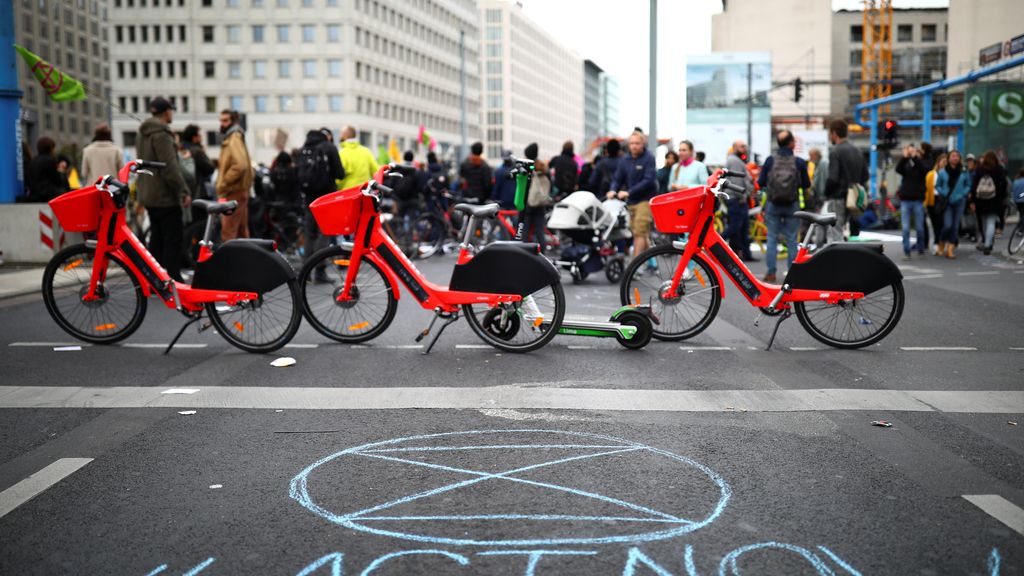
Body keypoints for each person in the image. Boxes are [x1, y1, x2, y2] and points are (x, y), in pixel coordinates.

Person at [136, 97, 191, 281]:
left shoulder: (142, 133)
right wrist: (183, 190)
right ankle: (173, 278)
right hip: (165, 195)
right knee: (172, 238)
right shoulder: (162, 135)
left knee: (157, 239)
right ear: (166, 111)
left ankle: (153, 278)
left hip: (149, 194)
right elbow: (169, 167)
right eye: (171, 110)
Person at [758, 130, 810, 282]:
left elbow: (761, 182)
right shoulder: (799, 162)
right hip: (792, 204)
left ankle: (771, 272)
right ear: (791, 144)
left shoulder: (770, 161)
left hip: (773, 203)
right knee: (792, 239)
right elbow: (806, 184)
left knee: (772, 238)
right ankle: (792, 273)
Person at [298, 128, 346, 281]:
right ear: (329, 137)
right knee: (324, 233)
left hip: (308, 198)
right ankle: (320, 271)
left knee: (309, 233)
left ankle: (306, 273)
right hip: (326, 197)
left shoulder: (304, 149)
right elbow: (340, 173)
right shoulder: (329, 147)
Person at [608, 131, 657, 257]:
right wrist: (613, 189)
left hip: (645, 200)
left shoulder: (649, 158)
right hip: (630, 201)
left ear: (643, 144)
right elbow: (617, 178)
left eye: (637, 143)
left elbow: (648, 180)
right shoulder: (624, 160)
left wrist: (629, 192)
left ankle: (634, 266)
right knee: (637, 233)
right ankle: (651, 258)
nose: (634, 146)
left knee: (640, 232)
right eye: (631, 143)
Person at [825, 119, 869, 239]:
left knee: (835, 231)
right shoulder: (858, 151)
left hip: (838, 196)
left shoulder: (835, 151)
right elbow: (865, 176)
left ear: (834, 133)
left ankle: (836, 257)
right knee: (853, 231)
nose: (830, 137)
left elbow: (833, 178)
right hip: (854, 198)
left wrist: (826, 192)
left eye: (830, 134)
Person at [215, 109, 253, 241]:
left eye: (225, 120)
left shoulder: (234, 137)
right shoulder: (234, 136)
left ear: (233, 121)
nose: (222, 124)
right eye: (221, 120)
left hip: (233, 191)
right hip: (238, 190)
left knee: (228, 233)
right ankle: (247, 260)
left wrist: (224, 182)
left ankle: (230, 261)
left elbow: (240, 165)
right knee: (241, 232)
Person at [895, 143, 931, 260]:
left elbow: (925, 169)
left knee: (920, 228)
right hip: (905, 200)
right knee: (905, 228)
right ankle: (906, 252)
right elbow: (898, 169)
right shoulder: (906, 164)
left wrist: (915, 156)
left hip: (918, 200)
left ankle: (921, 249)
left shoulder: (921, 164)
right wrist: (905, 157)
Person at [968, 150, 1008, 255]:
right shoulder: (999, 169)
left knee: (983, 222)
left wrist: (972, 200)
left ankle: (985, 241)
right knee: (991, 222)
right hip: (994, 199)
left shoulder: (980, 169)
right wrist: (1001, 196)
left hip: (980, 200)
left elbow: (974, 185)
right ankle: (988, 245)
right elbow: (1004, 183)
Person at [935, 150, 971, 259]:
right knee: (947, 225)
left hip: (960, 202)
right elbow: (937, 186)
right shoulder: (942, 172)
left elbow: (968, 185)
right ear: (949, 158)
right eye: (953, 156)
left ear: (960, 159)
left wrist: (963, 194)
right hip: (947, 202)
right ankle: (941, 243)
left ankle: (950, 250)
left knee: (955, 227)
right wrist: (944, 192)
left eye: (957, 156)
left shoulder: (964, 171)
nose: (955, 158)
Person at [723, 140, 756, 262]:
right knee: (735, 227)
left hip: (737, 198)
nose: (744, 148)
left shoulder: (735, 160)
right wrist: (742, 196)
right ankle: (715, 243)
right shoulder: (735, 161)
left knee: (740, 228)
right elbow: (737, 182)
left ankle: (744, 254)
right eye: (742, 146)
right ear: (735, 147)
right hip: (737, 199)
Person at [521, 143, 550, 251]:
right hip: (541, 204)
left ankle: (523, 254)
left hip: (528, 204)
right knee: (540, 232)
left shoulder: (527, 168)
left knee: (525, 231)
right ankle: (543, 255)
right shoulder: (542, 167)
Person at [25, 137, 69, 202]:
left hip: (34, 194)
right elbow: (57, 180)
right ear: (50, 149)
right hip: (47, 195)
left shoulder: (33, 160)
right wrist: (61, 172)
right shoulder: (50, 160)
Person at [336, 125, 379, 191]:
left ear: (345, 135)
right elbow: (376, 172)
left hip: (347, 194)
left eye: (341, 134)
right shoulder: (366, 152)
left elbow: (338, 177)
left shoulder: (342, 153)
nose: (340, 136)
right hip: (363, 192)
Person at [181, 124, 215, 200]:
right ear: (194, 138)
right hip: (200, 192)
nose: (201, 137)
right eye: (199, 135)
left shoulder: (183, 149)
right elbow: (210, 168)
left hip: (189, 191)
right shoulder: (196, 151)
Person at [924, 153, 947, 254]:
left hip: (943, 199)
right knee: (934, 223)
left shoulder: (947, 174)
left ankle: (939, 242)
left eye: (946, 162)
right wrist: (925, 202)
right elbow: (927, 189)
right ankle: (937, 242)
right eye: (943, 162)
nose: (944, 164)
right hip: (932, 200)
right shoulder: (931, 174)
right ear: (938, 162)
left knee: (942, 223)